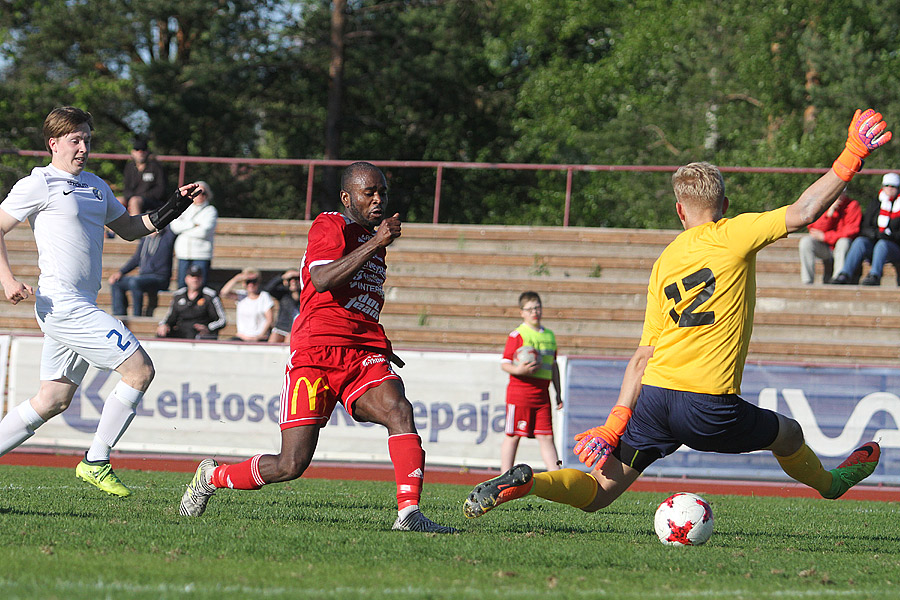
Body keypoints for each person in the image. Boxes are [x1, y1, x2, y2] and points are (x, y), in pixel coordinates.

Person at [463, 108, 889, 521]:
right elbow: (805, 211)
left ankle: (530, 482)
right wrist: (851, 155)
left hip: (654, 399)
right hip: (706, 405)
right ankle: (832, 484)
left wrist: (615, 425)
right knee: (790, 434)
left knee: (598, 492)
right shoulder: (733, 232)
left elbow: (642, 355)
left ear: (680, 210)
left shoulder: (664, 261)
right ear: (724, 203)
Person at [179, 161, 456, 533]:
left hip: (360, 353)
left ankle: (409, 514)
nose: (378, 200)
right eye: (369, 193)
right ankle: (212, 477)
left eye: (383, 193)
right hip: (316, 355)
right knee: (290, 465)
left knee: (398, 409)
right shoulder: (331, 225)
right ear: (347, 197)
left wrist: (378, 341)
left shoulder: (370, 239)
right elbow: (322, 279)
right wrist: (377, 242)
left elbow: (357, 300)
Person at [0, 106, 199, 497]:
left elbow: (127, 229)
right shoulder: (38, 182)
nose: (83, 147)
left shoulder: (95, 185)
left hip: (79, 303)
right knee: (139, 370)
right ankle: (96, 460)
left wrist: (172, 207)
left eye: (87, 140)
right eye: (75, 140)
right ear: (53, 143)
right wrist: (7, 280)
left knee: (53, 399)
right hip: (62, 304)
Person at [500, 291, 563, 473]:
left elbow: (553, 366)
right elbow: (505, 363)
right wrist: (519, 370)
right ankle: (503, 477)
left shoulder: (549, 335)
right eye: (529, 309)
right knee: (513, 435)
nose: (535, 312)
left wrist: (558, 392)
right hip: (520, 394)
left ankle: (557, 478)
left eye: (537, 307)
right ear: (522, 312)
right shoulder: (518, 335)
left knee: (546, 436)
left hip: (542, 395)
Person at [831, 172, 900, 285]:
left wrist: (890, 236)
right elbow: (865, 226)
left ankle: (875, 275)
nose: (889, 189)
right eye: (887, 186)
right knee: (860, 242)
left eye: (893, 186)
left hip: (894, 247)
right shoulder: (875, 203)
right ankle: (845, 274)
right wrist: (872, 233)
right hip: (874, 244)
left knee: (882, 244)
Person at [108, 226, 175, 316]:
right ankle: (119, 315)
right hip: (144, 277)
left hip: (160, 278)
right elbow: (136, 259)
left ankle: (137, 315)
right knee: (117, 282)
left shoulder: (167, 237)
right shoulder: (145, 240)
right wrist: (120, 272)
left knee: (135, 282)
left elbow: (174, 227)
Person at [798, 189, 861, 284]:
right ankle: (807, 281)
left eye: (841, 193)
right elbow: (814, 229)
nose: (838, 196)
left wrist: (826, 237)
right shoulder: (822, 204)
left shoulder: (852, 205)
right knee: (806, 242)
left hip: (841, 248)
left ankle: (838, 279)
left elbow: (851, 231)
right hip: (825, 248)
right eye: (836, 193)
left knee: (843, 242)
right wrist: (829, 213)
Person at [156, 265, 226, 340]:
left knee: (193, 333)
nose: (195, 279)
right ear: (186, 279)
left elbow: (222, 320)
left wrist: (208, 328)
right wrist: (163, 325)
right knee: (162, 333)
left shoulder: (209, 296)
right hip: (181, 331)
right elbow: (170, 317)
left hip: (200, 333)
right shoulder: (178, 295)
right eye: (192, 276)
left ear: (201, 279)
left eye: (198, 277)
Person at [169, 180, 217, 288]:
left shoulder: (210, 211)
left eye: (202, 193)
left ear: (207, 195)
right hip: (183, 254)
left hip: (201, 255)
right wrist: (194, 225)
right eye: (196, 192)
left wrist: (184, 229)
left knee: (199, 287)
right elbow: (174, 227)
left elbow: (204, 232)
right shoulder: (184, 208)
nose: (199, 196)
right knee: (182, 286)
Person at [220, 267, 275, 342]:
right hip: (241, 337)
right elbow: (223, 293)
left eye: (254, 281)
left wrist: (259, 336)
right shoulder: (241, 295)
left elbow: (270, 319)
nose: (251, 284)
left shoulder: (264, 297)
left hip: (258, 339)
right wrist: (236, 279)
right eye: (248, 281)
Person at [120, 137, 168, 215]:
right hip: (133, 198)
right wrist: (130, 198)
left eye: (143, 150)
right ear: (132, 152)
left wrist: (140, 197)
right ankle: (111, 227)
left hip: (152, 202)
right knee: (117, 201)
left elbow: (160, 190)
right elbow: (126, 188)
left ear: (147, 152)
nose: (140, 152)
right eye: (137, 150)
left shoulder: (156, 167)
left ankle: (134, 227)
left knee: (135, 201)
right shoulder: (129, 167)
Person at [263, 269, 301, 343]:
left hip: (297, 328)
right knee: (271, 344)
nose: (293, 281)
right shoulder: (283, 294)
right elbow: (268, 289)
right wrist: (282, 277)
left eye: (296, 279)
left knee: (289, 343)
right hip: (282, 326)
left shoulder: (305, 293)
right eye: (290, 279)